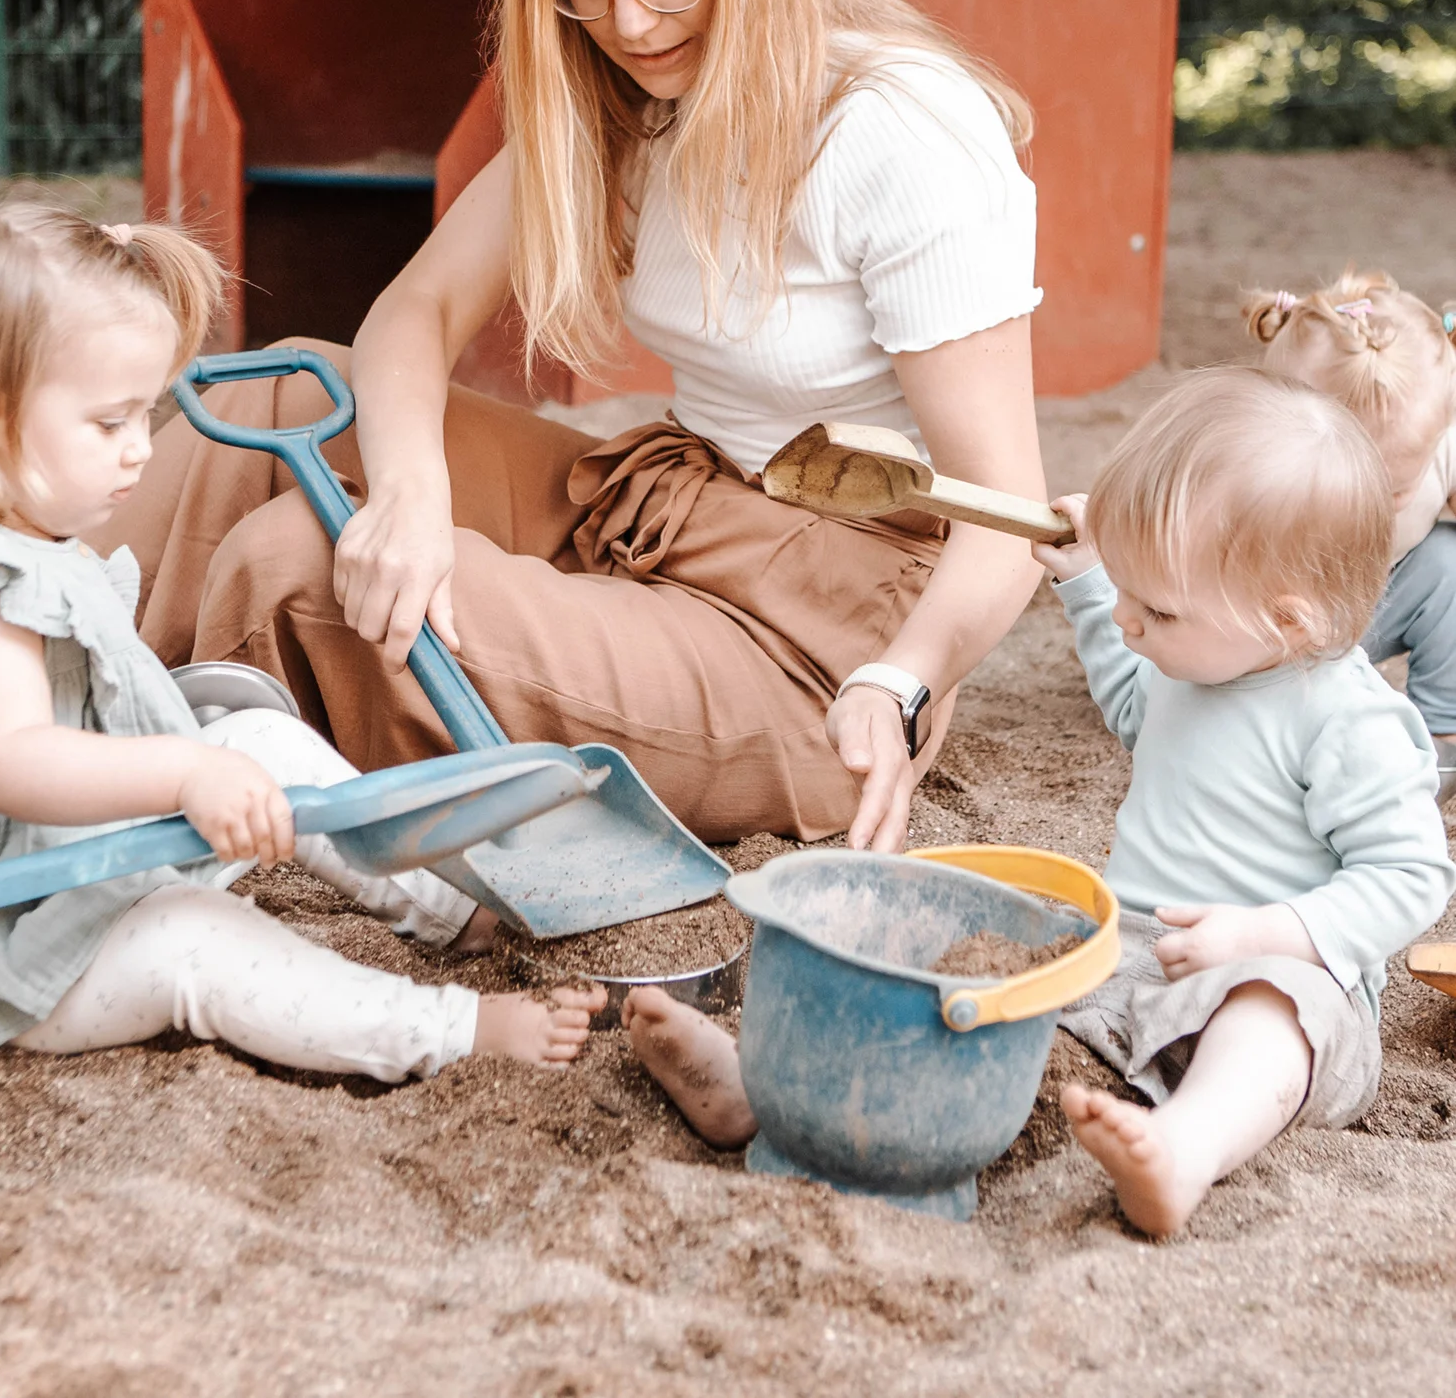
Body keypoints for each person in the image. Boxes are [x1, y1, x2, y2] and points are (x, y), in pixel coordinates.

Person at [97, 0, 1048, 862]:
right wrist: (410, 494)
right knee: (272, 402)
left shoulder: (898, 129)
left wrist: (900, 683)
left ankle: (108, 778)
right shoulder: (623, 96)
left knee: (301, 567)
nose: (630, 22)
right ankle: (6, 678)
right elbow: (415, 313)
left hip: (825, 643)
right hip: (662, 507)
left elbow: (1007, 520)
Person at [622, 369, 1456, 1239]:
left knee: (1277, 1013)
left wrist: (1269, 935)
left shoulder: (1349, 721)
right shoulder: (1205, 654)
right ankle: (770, 1090)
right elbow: (1134, 707)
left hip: (1279, 984)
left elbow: (1411, 877)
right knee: (988, 965)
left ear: (1288, 623)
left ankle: (1187, 1148)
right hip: (1124, 957)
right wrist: (1089, 582)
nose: (1129, 622)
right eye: (1125, 594)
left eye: (1156, 609)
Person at [0, 203, 600, 1073]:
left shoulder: (27, 539)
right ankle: (452, 1030)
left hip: (81, 860)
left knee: (261, 741)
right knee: (196, 940)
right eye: (108, 424)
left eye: (145, 417)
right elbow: (10, 762)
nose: (139, 451)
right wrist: (185, 771)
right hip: (10, 947)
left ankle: (456, 906)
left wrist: (198, 749)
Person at [1244, 270, 1456, 802]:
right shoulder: (1255, 472)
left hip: (1372, 606)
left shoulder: (1437, 440)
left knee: (1449, 567)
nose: (1381, 504)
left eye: (1397, 488)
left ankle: (1442, 732)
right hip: (1271, 626)